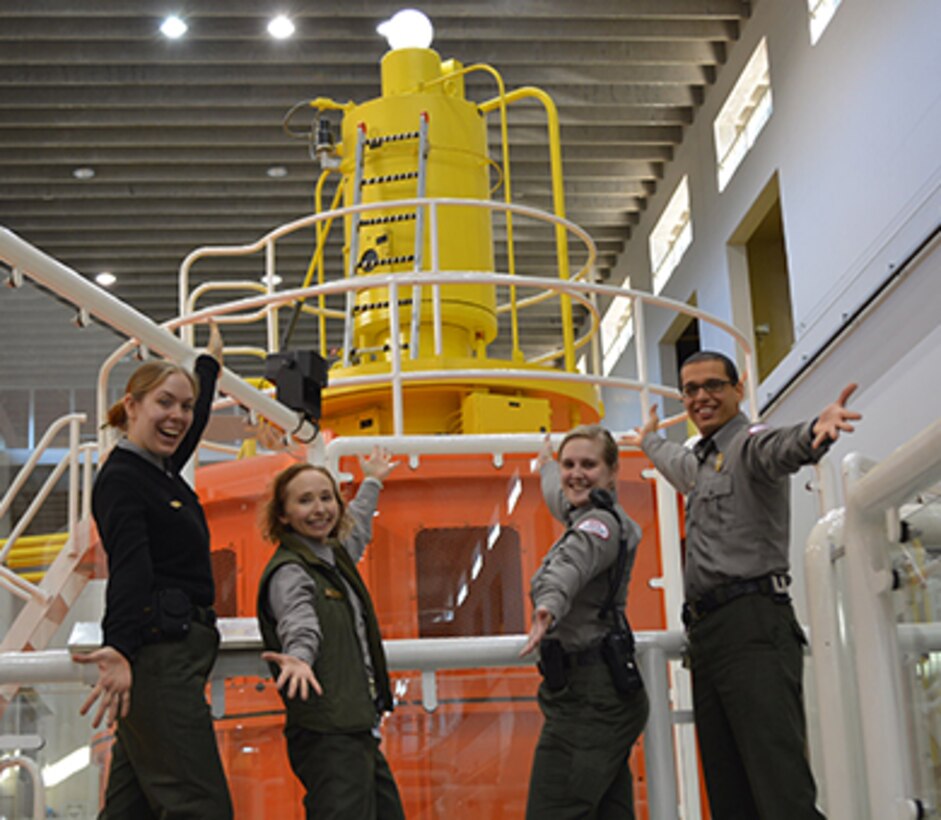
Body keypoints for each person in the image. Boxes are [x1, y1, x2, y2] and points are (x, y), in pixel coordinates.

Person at [624, 350, 861, 820]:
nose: (700, 397)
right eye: (690, 390)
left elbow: (785, 446)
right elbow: (678, 465)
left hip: (753, 627)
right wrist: (650, 442)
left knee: (780, 788)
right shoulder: (705, 463)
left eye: (713, 385)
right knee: (730, 792)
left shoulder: (751, 445)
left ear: (738, 389)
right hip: (710, 637)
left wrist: (818, 430)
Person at [73, 322, 233, 820]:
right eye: (166, 402)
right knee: (199, 808)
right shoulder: (123, 479)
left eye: (185, 405)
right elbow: (132, 567)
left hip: (172, 656)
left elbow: (195, 422)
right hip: (158, 657)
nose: (179, 416)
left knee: (130, 809)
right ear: (133, 404)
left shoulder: (155, 470)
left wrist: (207, 367)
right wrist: (119, 647)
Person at [256, 449, 405, 820]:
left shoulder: (331, 558)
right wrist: (300, 658)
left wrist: (372, 480)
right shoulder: (291, 571)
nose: (319, 508)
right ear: (283, 515)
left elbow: (357, 529)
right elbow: (299, 621)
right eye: (304, 501)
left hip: (355, 725)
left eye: (326, 498)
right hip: (328, 733)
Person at [519, 425, 649, 819]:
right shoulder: (588, 511)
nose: (576, 473)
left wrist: (548, 607)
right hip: (599, 692)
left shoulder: (599, 526)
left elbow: (571, 564)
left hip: (590, 700)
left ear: (612, 472)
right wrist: (545, 468)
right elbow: (561, 499)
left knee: (553, 810)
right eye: (569, 464)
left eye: (588, 465)